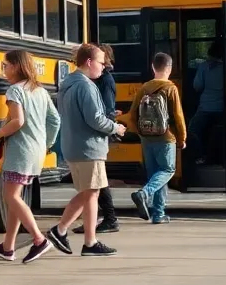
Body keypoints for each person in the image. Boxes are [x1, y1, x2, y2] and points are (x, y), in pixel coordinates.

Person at [46, 43, 126, 257]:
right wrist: (115, 127)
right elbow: (95, 119)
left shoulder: (68, 85)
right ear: (89, 62)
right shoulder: (86, 86)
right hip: (89, 147)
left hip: (74, 145)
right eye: (101, 62)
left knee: (90, 193)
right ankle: (61, 230)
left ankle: (88, 240)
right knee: (90, 191)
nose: (104, 67)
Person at [0, 49, 61, 264]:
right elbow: (55, 120)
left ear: (16, 66)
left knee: (10, 197)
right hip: (36, 151)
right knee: (15, 198)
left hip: (20, 151)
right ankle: (8, 247)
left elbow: (17, 121)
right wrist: (46, 144)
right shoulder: (40, 91)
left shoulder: (14, 91)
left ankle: (39, 240)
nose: (4, 70)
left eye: (6, 65)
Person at [125, 52, 187, 224]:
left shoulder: (144, 88)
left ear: (153, 67)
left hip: (147, 138)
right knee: (167, 170)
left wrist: (140, 132)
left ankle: (158, 214)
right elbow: (178, 116)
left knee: (155, 175)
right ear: (170, 68)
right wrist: (182, 137)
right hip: (166, 137)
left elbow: (132, 115)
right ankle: (144, 194)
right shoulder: (170, 88)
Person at [77, 43, 121, 236]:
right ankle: (94, 221)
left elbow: (106, 108)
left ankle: (109, 219)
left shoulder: (105, 80)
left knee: (97, 181)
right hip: (96, 130)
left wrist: (111, 127)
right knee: (94, 181)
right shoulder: (94, 80)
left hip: (99, 132)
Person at [189, 40, 225, 164]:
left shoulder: (204, 66)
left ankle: (200, 155)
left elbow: (197, 86)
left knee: (192, 130)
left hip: (206, 108)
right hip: (222, 109)